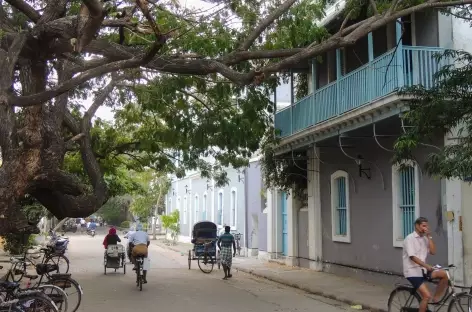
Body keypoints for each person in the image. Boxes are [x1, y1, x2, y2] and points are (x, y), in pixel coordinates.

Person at [403, 217, 449, 312]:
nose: (426, 228)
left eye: (427, 226)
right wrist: (426, 266)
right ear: (417, 226)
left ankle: (436, 298)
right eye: (423, 226)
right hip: (412, 271)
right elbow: (412, 257)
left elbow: (433, 251)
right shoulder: (409, 238)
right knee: (426, 296)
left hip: (423, 270)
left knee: (444, 275)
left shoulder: (425, 239)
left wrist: (429, 237)